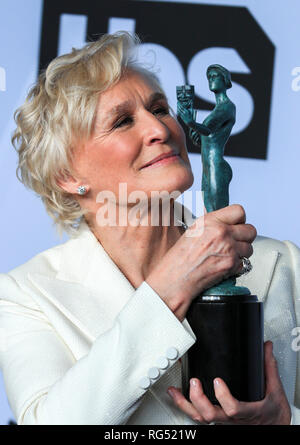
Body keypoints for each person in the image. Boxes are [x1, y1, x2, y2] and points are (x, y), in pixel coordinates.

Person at [0, 31, 299, 425]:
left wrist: (282, 421)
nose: (161, 129)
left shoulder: (283, 263)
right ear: (67, 175)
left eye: (159, 109)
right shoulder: (26, 295)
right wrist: (169, 287)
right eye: (123, 121)